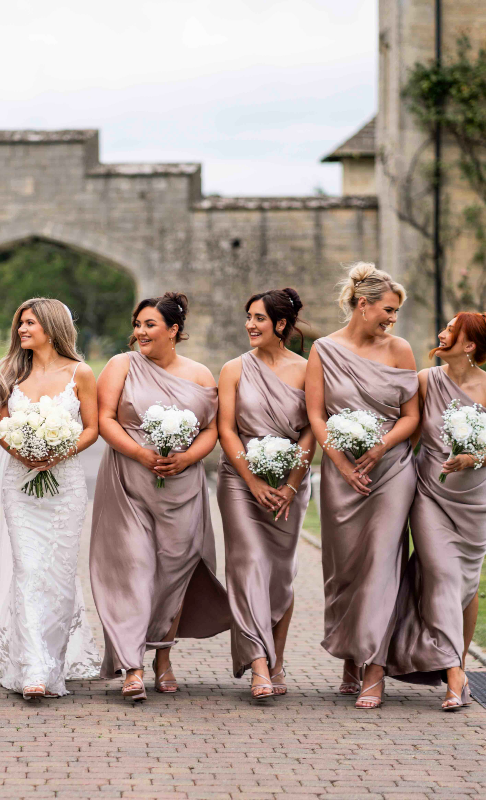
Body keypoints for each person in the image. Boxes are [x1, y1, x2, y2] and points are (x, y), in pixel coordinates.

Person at [0, 298, 102, 699]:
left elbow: (92, 428)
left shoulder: (80, 373)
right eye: (21, 324)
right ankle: (33, 667)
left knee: (59, 573)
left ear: (52, 327)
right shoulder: (12, 373)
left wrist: (58, 453)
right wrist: (24, 452)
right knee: (28, 568)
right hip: (20, 485)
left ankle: (53, 657)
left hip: (65, 486)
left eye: (30, 323)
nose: (22, 329)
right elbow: (0, 427)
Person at [89, 292, 231, 701]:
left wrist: (187, 458)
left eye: (149, 325)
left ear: (173, 330)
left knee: (174, 571)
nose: (140, 332)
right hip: (128, 483)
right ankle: (131, 665)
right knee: (132, 569)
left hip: (182, 488)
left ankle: (163, 658)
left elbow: (211, 429)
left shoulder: (200, 374)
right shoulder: (121, 365)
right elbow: (105, 418)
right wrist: (138, 453)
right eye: (137, 325)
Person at [305, 262, 419, 710]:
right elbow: (317, 415)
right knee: (345, 569)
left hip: (391, 471)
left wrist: (380, 447)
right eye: (388, 310)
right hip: (341, 474)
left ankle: (375, 668)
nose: (393, 318)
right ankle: (351, 656)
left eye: (395, 312)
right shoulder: (324, 350)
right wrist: (342, 464)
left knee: (382, 565)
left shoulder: (400, 350)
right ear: (362, 304)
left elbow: (411, 416)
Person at [387, 312, 486, 710]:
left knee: (465, 584)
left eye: (450, 331)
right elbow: (409, 430)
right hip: (431, 495)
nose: (441, 334)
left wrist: (473, 458)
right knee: (441, 574)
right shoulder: (426, 380)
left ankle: (458, 665)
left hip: (476, 500)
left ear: (469, 345)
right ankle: (454, 673)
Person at [217, 288, 315, 700]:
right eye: (249, 317)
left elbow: (312, 430)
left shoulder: (309, 370)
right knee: (248, 565)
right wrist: (253, 481)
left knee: (280, 575)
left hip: (290, 485)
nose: (250, 325)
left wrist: (291, 484)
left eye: (258, 318)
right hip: (239, 483)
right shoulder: (233, 369)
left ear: (280, 324)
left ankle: (276, 661)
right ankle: (258, 664)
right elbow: (226, 430)